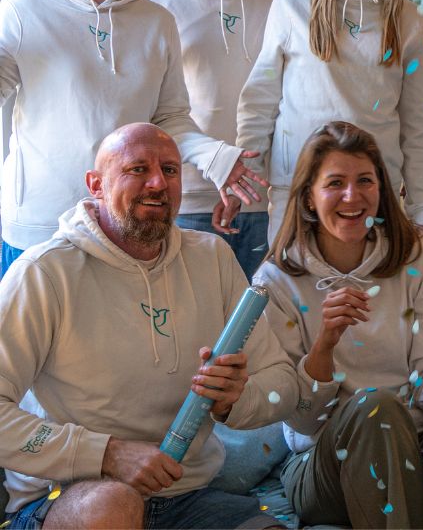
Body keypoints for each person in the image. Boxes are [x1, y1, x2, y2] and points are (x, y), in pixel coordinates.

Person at [0, 123, 297, 530]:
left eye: (170, 170)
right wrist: (104, 454)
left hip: (187, 498)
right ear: (96, 185)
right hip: (68, 496)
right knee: (114, 506)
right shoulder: (43, 272)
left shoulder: (213, 258)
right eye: (137, 169)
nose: (158, 182)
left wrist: (234, 400)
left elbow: (283, 383)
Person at [255, 121, 423, 529]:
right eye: (334, 183)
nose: (352, 196)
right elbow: (303, 421)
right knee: (375, 405)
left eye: (365, 180)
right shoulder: (276, 280)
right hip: (324, 464)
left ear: (381, 192)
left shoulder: (418, 257)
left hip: (418, 445)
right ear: (309, 197)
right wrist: (325, 343)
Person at [0, 0, 261, 273]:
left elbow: (170, 116)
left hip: (125, 222)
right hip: (42, 225)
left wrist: (217, 157)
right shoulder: (23, 11)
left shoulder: (156, 20)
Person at [237, 0, 423, 238]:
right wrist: (247, 184)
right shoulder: (291, 4)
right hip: (298, 193)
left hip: (375, 197)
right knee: (295, 292)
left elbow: (418, 124)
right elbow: (260, 100)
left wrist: (422, 210)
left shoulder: (407, 18)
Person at [147, 0, 281, 279]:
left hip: (267, 199)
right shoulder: (154, 4)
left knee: (264, 330)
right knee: (195, 333)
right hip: (187, 201)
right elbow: (153, 108)